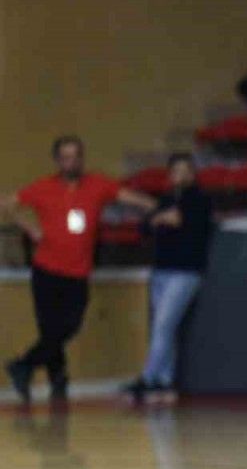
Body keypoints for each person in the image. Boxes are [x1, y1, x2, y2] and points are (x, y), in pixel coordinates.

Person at [1, 136, 158, 404]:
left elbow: (127, 197)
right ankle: (58, 381)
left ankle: (23, 365)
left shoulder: (97, 184)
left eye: (75, 156)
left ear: (82, 158)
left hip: (78, 273)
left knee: (69, 327)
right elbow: (7, 204)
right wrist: (30, 228)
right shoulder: (43, 187)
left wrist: (157, 206)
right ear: (57, 160)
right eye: (65, 157)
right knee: (51, 332)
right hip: (46, 270)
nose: (71, 162)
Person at [124, 154, 215, 405]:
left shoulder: (200, 200)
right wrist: (161, 218)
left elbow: (187, 225)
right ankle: (164, 378)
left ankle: (149, 377)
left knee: (163, 323)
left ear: (193, 173)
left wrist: (164, 219)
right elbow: (145, 227)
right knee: (165, 325)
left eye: (185, 170)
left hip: (185, 271)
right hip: (162, 269)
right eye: (176, 170)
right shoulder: (165, 200)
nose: (180, 175)